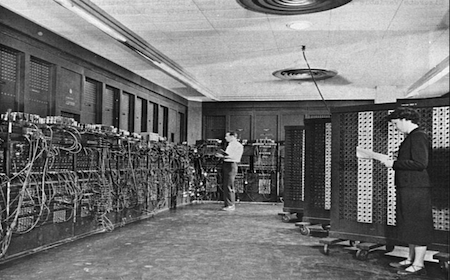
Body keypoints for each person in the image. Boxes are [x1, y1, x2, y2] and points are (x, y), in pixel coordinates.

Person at [380, 107, 434, 276]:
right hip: (409, 187)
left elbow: (420, 164)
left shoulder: (418, 136)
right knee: (410, 223)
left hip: (416, 189)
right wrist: (399, 157)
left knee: (418, 225)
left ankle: (418, 264)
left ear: (405, 119)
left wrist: (394, 164)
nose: (396, 127)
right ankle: (411, 259)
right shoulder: (413, 137)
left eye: (396, 123)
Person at [215, 131, 244, 211]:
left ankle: (231, 205)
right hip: (227, 165)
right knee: (226, 185)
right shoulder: (230, 145)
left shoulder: (237, 145)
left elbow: (235, 157)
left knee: (229, 185)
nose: (225, 138)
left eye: (227, 136)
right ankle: (228, 204)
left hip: (231, 165)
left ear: (232, 137)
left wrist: (222, 156)